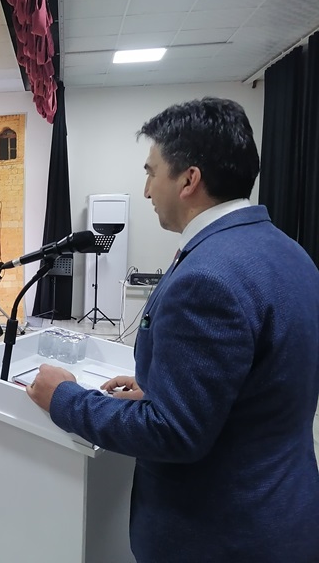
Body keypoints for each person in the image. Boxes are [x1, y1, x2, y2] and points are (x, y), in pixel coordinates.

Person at [26, 97, 319, 563]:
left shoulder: (208, 277)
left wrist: (64, 397)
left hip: (218, 535)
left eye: (151, 172)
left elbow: (173, 434)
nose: (145, 190)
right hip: (286, 512)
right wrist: (162, 385)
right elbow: (261, 384)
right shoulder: (292, 254)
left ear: (189, 179)